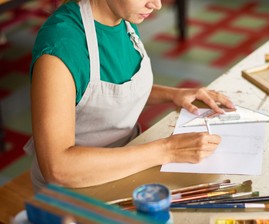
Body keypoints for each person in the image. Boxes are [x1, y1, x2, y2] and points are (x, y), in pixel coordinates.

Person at [25, 0, 235, 190]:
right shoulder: (61, 48)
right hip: (75, 187)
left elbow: (108, 92)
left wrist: (174, 94)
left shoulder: (122, 17)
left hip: (127, 159)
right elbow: (58, 168)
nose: (157, 4)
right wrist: (167, 150)